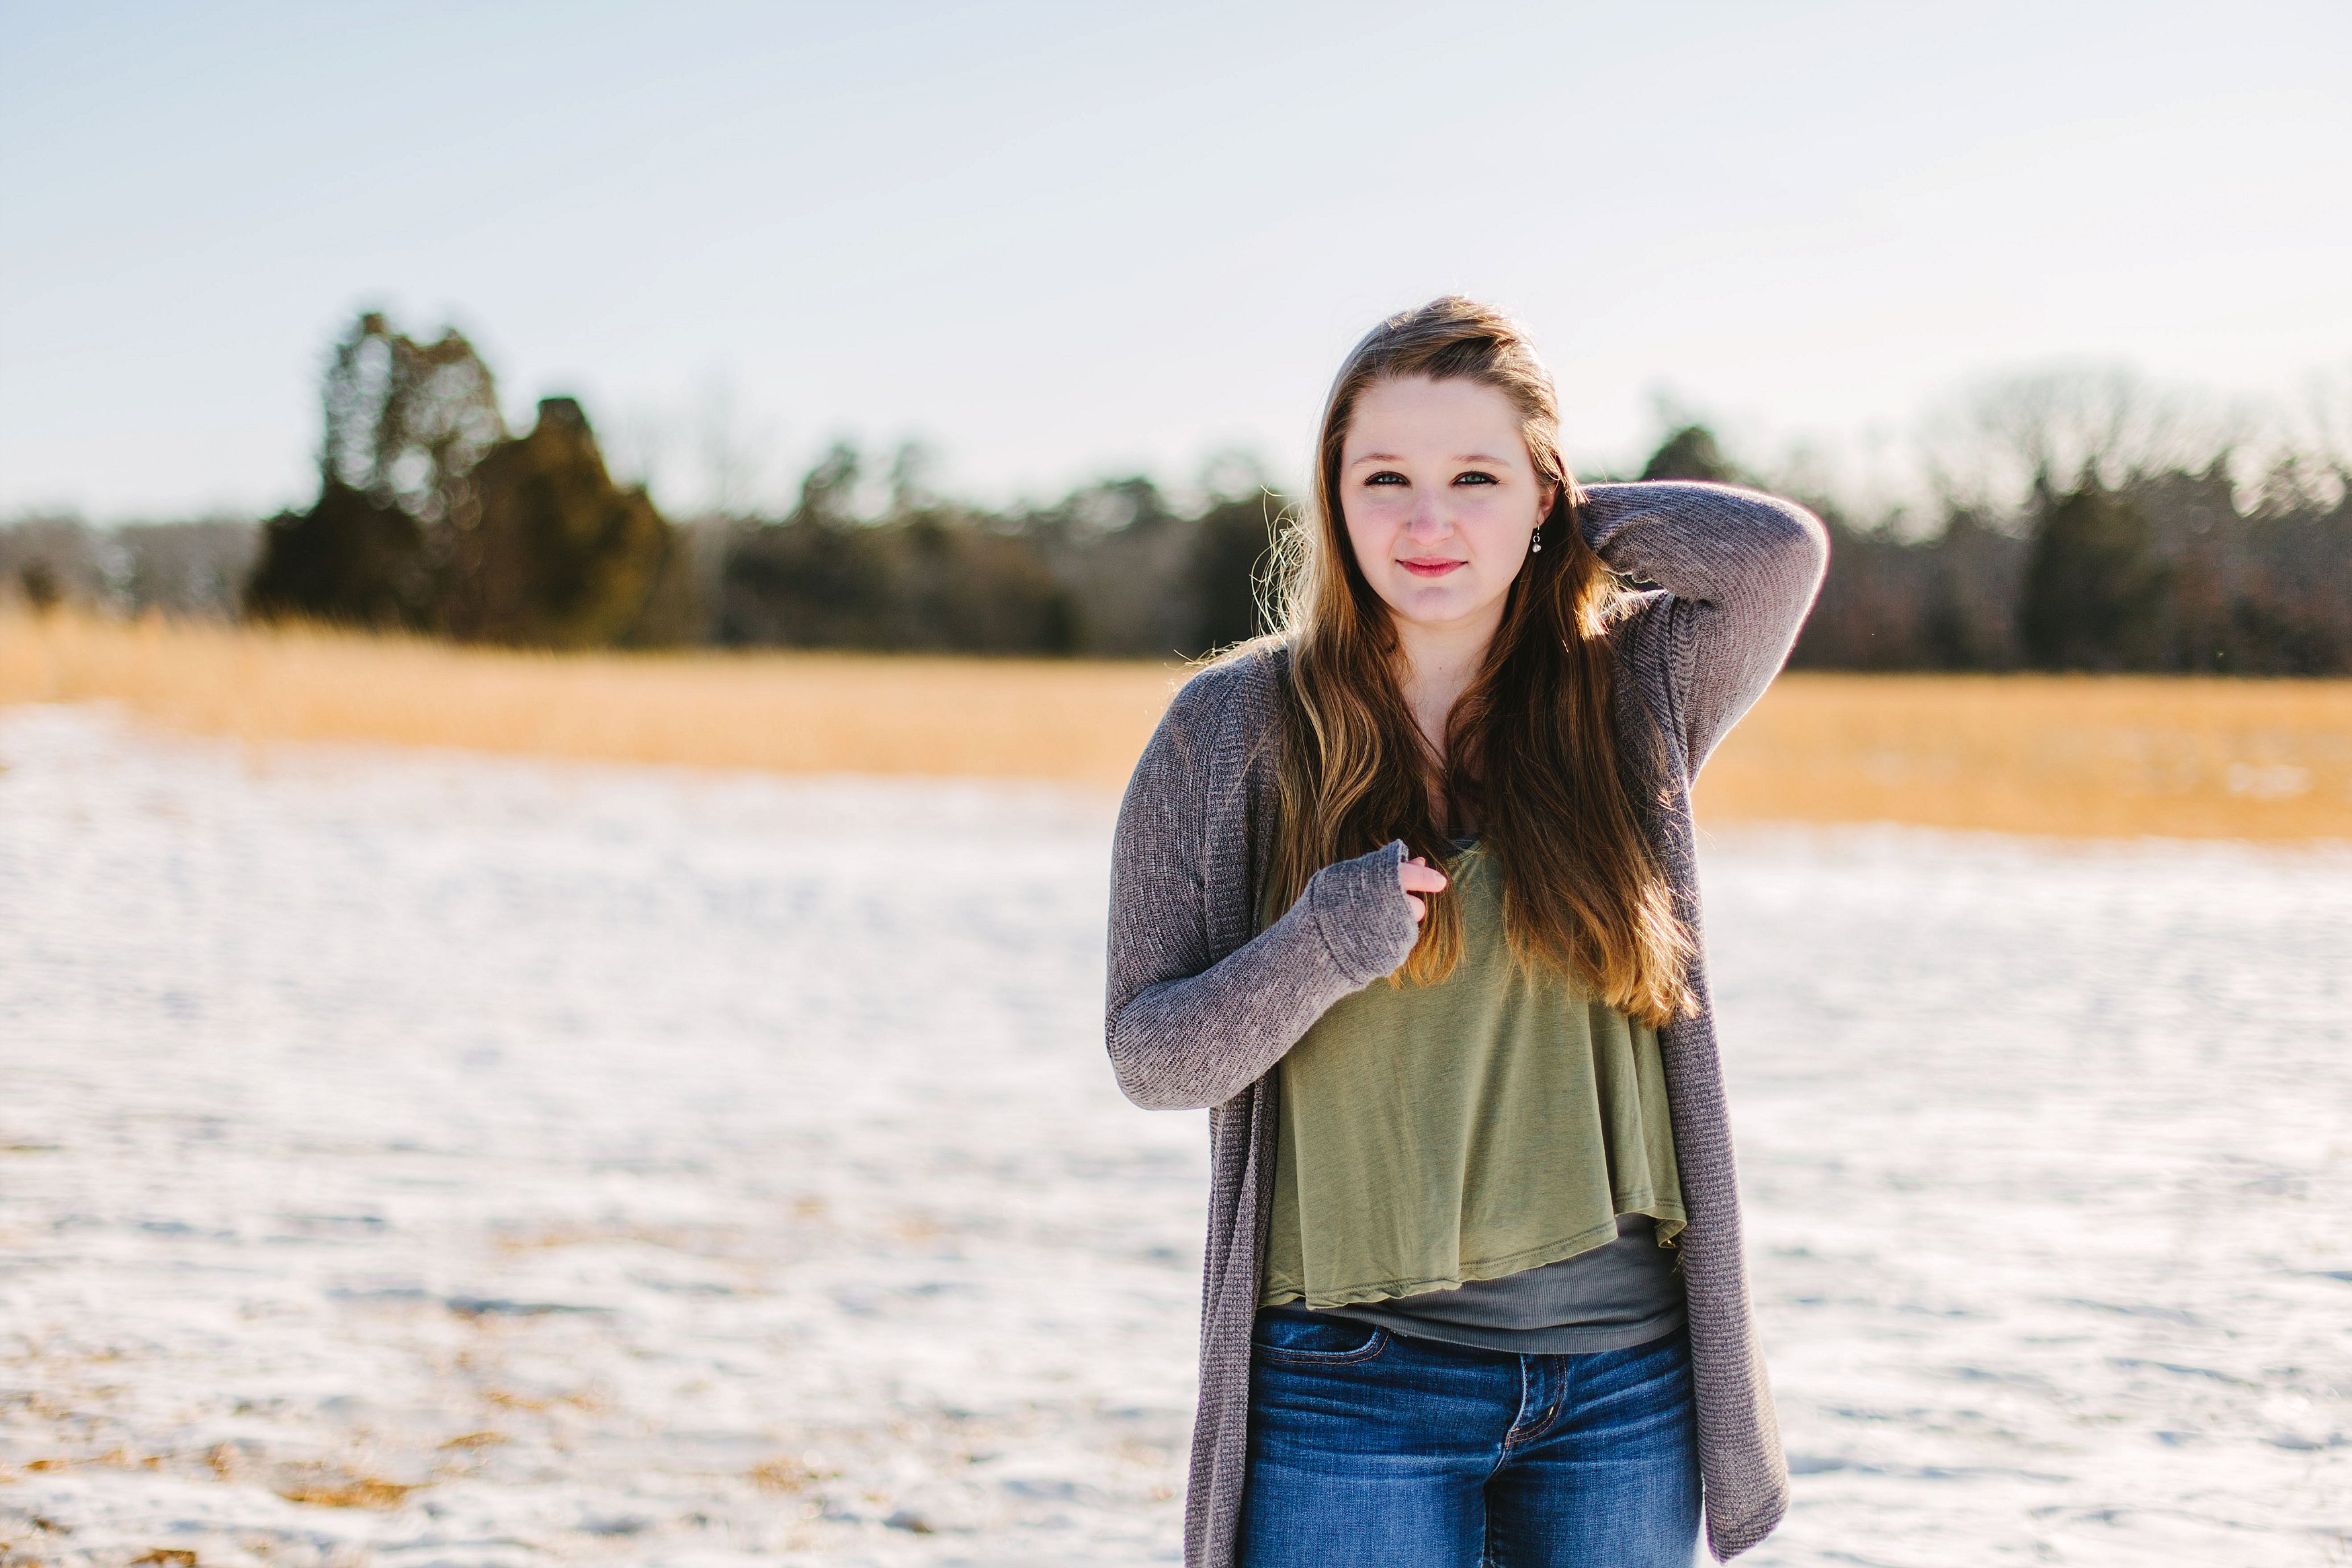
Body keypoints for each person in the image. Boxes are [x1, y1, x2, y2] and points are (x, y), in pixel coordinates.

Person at [1104, 297, 1828, 1567]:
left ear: (1543, 493)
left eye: (1474, 479)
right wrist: (1318, 948)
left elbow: (1775, 555)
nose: (1427, 523)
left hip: (1622, 1385)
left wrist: (1555, 519)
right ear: (1331, 496)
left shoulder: (1627, 694)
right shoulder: (1228, 732)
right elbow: (1150, 1054)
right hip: (1351, 1384)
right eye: (1384, 478)